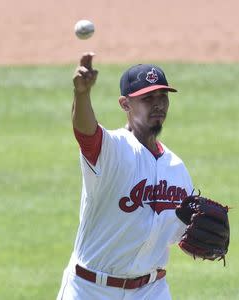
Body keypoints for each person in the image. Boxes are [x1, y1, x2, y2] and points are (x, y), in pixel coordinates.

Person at [57, 52, 194, 300]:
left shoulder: (177, 168)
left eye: (163, 97)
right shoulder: (112, 149)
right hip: (90, 289)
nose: (158, 104)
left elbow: (179, 236)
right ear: (125, 104)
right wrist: (82, 94)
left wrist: (197, 233)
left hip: (151, 290)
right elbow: (86, 133)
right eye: (147, 98)